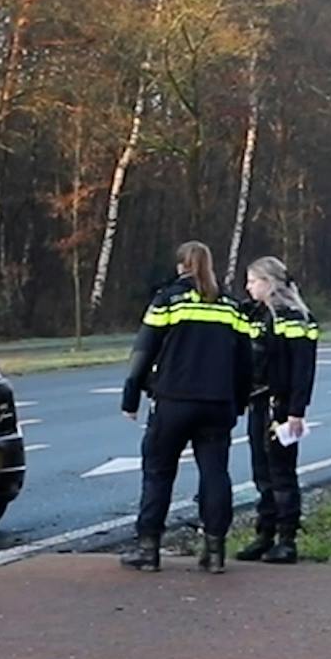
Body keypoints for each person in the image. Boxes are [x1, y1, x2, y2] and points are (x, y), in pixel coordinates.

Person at [120, 241, 254, 574]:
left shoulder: (167, 301)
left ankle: (148, 549)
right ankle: (215, 550)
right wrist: (237, 401)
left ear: (182, 266)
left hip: (174, 401)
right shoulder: (231, 306)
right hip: (218, 404)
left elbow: (143, 351)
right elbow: (246, 361)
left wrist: (131, 396)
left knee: (158, 473)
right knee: (215, 473)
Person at [235, 256, 319, 565]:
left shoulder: (294, 317)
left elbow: (302, 369)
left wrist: (296, 410)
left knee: (281, 472)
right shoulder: (255, 314)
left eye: (253, 280)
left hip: (281, 405)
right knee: (261, 472)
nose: (248, 286)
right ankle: (264, 534)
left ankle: (287, 539)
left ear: (269, 283)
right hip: (258, 402)